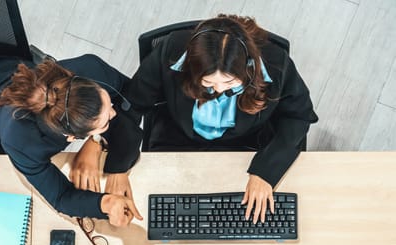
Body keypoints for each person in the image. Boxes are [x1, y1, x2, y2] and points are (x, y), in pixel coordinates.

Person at [115, 14, 318, 223]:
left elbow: (299, 116)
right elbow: (131, 104)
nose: (219, 90)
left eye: (229, 82)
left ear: (247, 67)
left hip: (247, 146)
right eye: (209, 83)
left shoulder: (276, 63)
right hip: (177, 140)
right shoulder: (171, 51)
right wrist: (118, 166)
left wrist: (266, 171)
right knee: (155, 210)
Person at [0, 54, 143, 227]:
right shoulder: (23, 142)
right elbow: (60, 196)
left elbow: (132, 101)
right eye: (105, 122)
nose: (115, 114)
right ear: (71, 137)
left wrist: (96, 142)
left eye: (107, 100)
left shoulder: (92, 70)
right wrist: (105, 203)